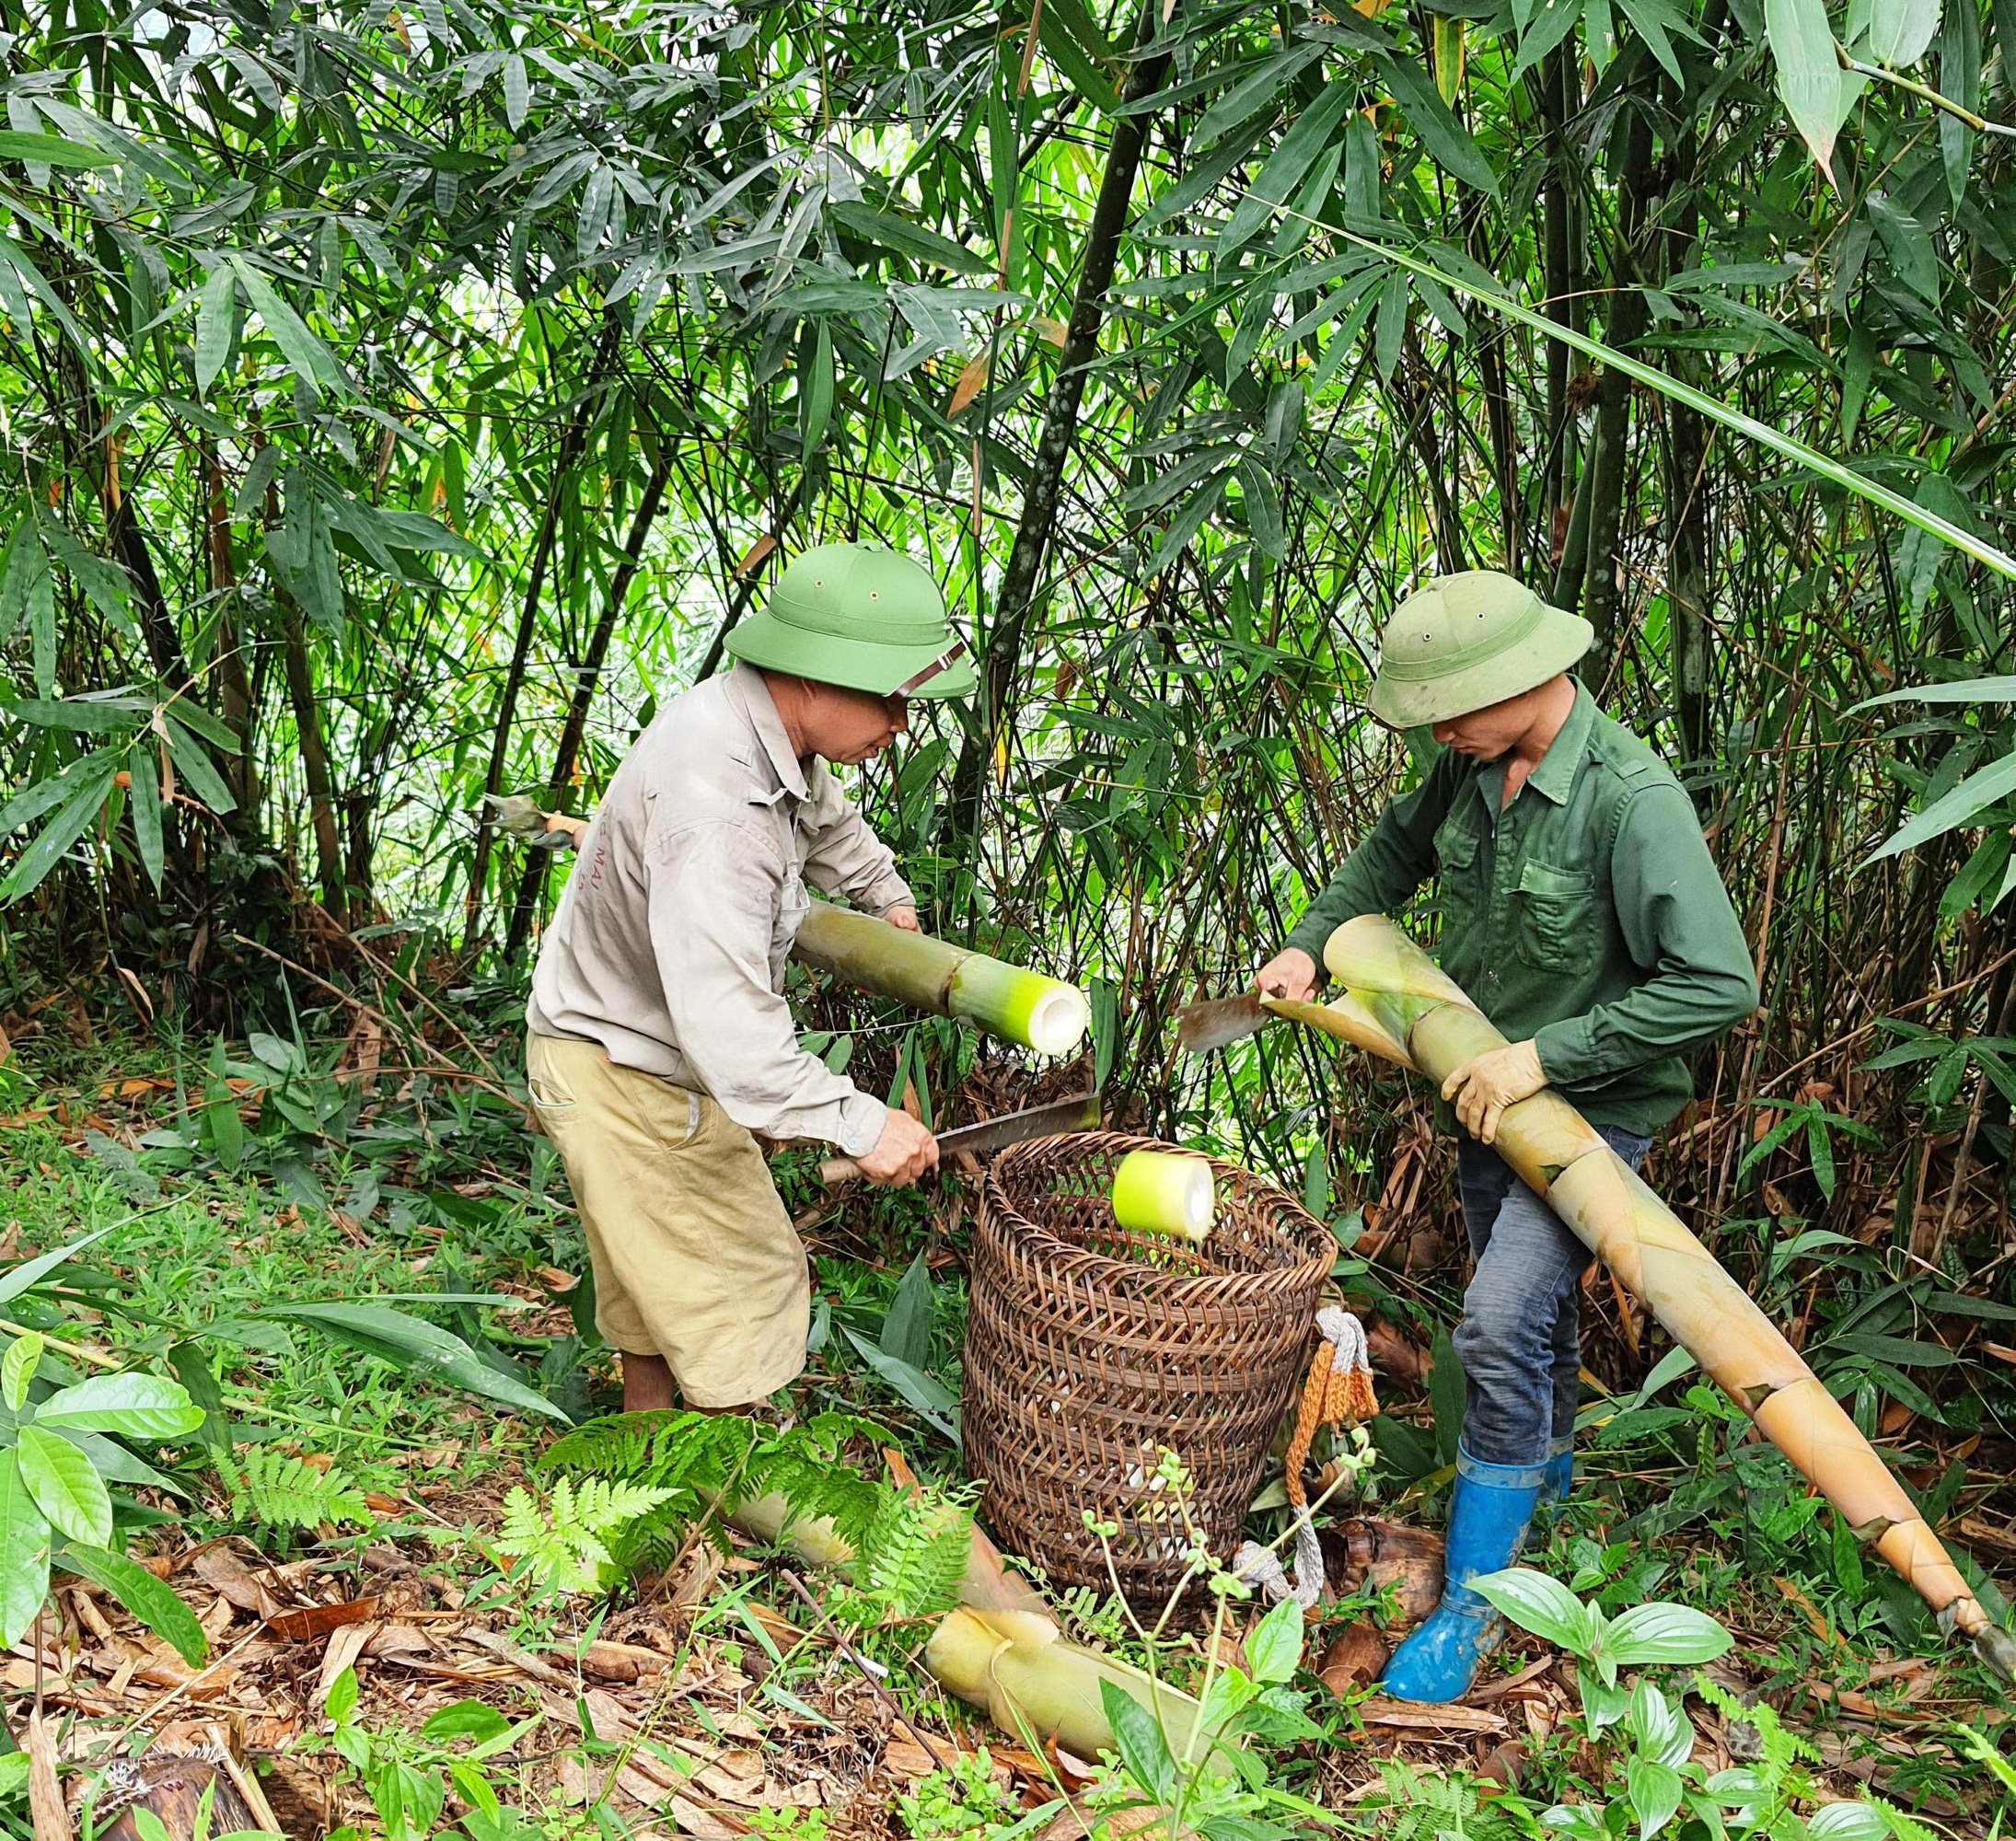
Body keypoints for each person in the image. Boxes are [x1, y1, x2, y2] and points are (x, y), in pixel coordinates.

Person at [1254, 570, 1758, 1703]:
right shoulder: (1472, 765)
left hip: (1588, 1108)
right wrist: (1310, 937)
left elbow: (1719, 980)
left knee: (1494, 1320)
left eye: (1453, 708)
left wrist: (1551, 1057)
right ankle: (1552, 1478)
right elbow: (1388, 857)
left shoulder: (1631, 800)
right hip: (1484, 1089)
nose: (1438, 732)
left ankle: (1479, 1593)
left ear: (1529, 680)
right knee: (1525, 1304)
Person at [525, 539, 975, 1417]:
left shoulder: (766, 732)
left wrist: (882, 896)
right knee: (744, 1283)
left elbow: (827, 819)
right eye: (886, 697)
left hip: (610, 1049)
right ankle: (735, 1496)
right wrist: (859, 1123)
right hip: (625, 1072)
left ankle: (644, 1466)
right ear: (811, 677)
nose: (900, 724)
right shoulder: (718, 808)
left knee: (656, 1286)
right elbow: (729, 1024)